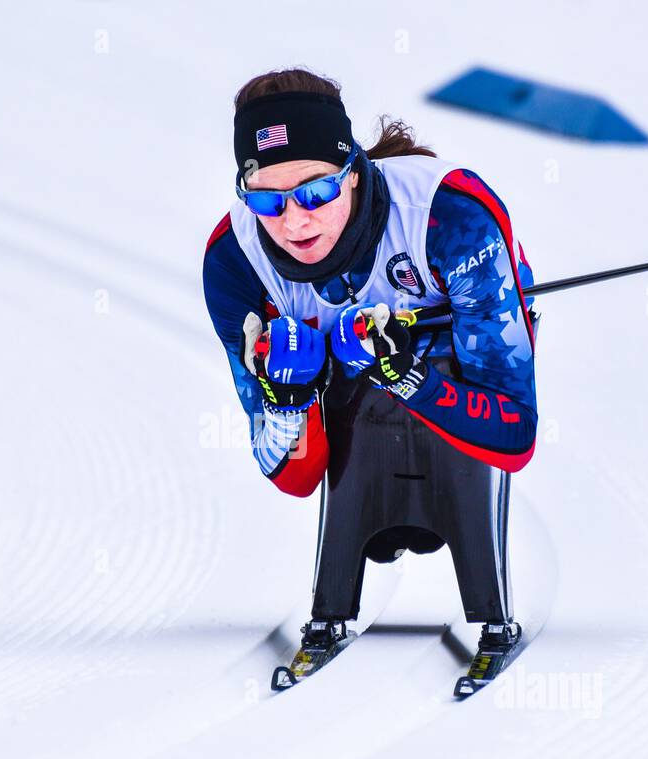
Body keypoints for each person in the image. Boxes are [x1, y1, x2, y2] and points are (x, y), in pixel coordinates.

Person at [202, 68, 539, 687]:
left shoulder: (451, 215)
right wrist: (288, 397)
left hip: (457, 353)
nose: (294, 222)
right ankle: (333, 601)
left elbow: (515, 435)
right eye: (268, 199)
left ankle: (488, 605)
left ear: (352, 170)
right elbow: (290, 474)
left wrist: (407, 373)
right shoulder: (234, 259)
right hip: (355, 373)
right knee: (337, 390)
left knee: (436, 382)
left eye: (314, 192)